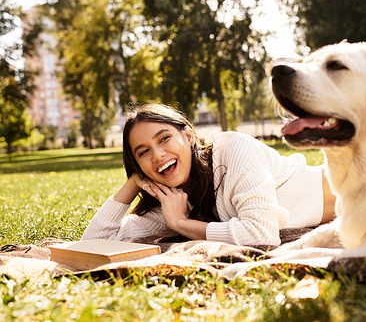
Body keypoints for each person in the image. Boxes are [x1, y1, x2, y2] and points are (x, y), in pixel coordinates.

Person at [81, 103, 336, 246]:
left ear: (189, 136)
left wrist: (181, 224)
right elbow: (94, 243)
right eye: (143, 152)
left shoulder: (233, 149)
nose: (157, 155)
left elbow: (262, 235)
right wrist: (133, 184)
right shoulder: (171, 201)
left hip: (354, 188)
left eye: (165, 138)